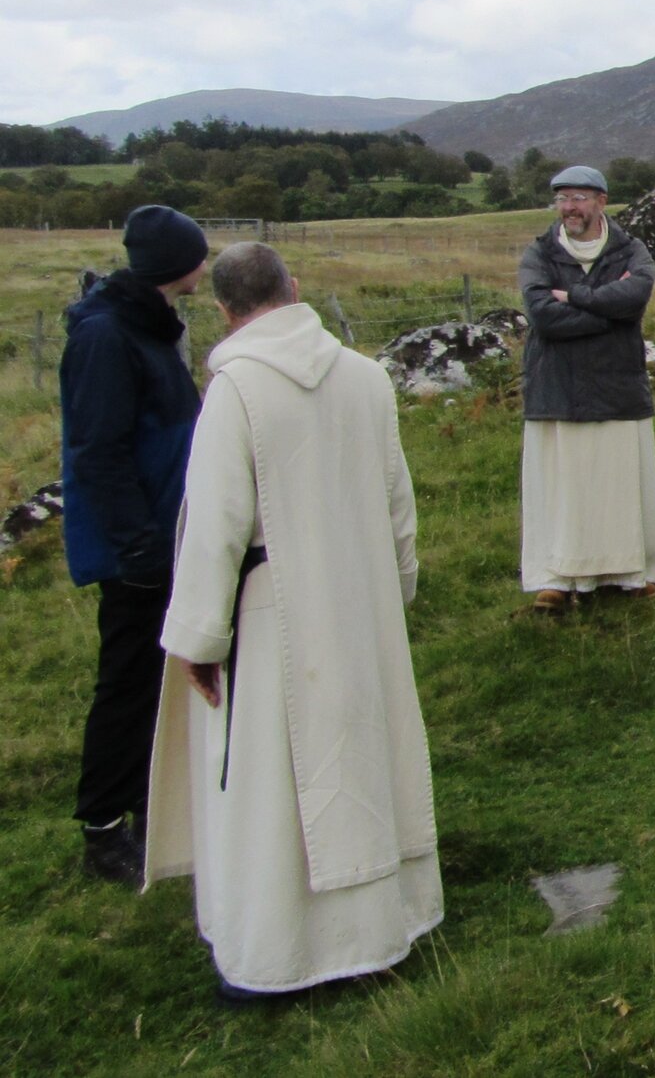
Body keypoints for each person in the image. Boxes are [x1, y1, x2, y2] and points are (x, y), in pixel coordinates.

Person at [142, 242, 440, 1003]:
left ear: (223, 309)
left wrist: (201, 642)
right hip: (359, 591)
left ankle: (281, 952)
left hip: (271, 610)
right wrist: (395, 590)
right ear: (295, 289)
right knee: (360, 758)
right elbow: (397, 502)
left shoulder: (234, 393)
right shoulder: (367, 377)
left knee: (273, 775)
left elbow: (214, 527)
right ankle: (376, 932)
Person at [58, 204, 208, 886]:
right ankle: (102, 827)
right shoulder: (106, 335)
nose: (205, 265)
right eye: (197, 255)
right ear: (176, 263)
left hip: (165, 530)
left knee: (164, 674)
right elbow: (98, 450)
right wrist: (138, 547)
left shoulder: (146, 324)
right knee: (126, 679)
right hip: (136, 544)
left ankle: (155, 805)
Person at [516, 165, 655, 611]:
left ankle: (629, 573)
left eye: (579, 197)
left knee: (618, 483)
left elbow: (635, 297)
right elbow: (543, 315)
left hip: (616, 385)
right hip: (556, 387)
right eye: (562, 198)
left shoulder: (630, 250)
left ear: (602, 200)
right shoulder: (540, 252)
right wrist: (607, 306)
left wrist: (575, 296)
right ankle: (557, 577)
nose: (569, 207)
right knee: (562, 487)